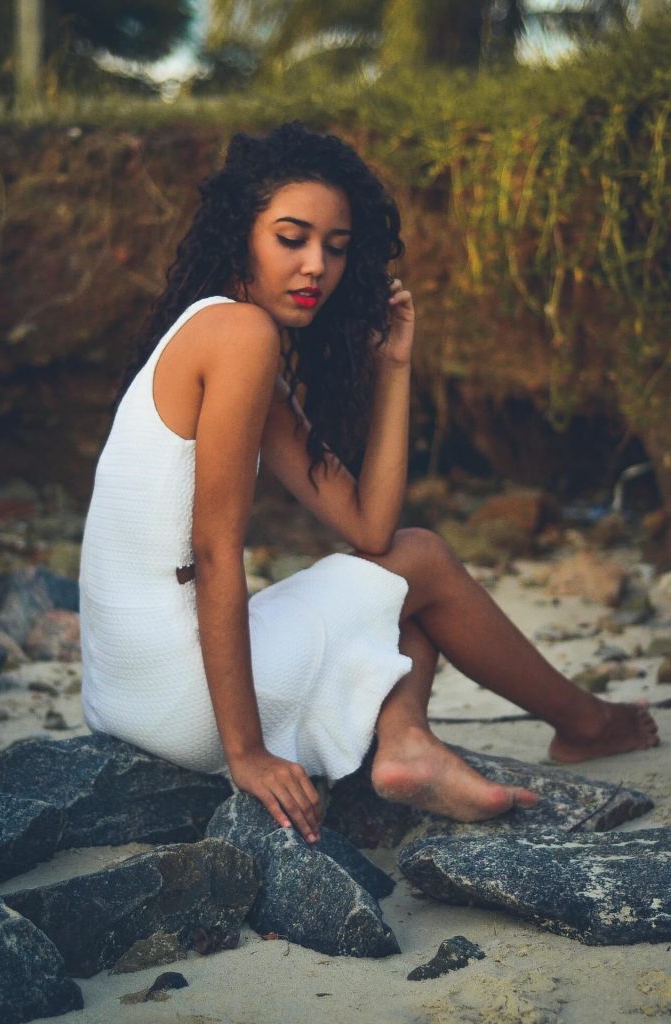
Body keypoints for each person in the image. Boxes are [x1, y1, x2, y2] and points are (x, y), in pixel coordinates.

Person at [79, 122, 659, 846]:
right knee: (421, 560)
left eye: (337, 247)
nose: (316, 264)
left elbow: (366, 528)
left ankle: (407, 742)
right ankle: (586, 724)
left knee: (397, 592)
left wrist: (395, 365)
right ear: (240, 236)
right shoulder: (240, 336)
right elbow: (215, 551)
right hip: (180, 696)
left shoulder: (216, 336)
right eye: (292, 239)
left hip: (118, 695)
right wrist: (247, 754)